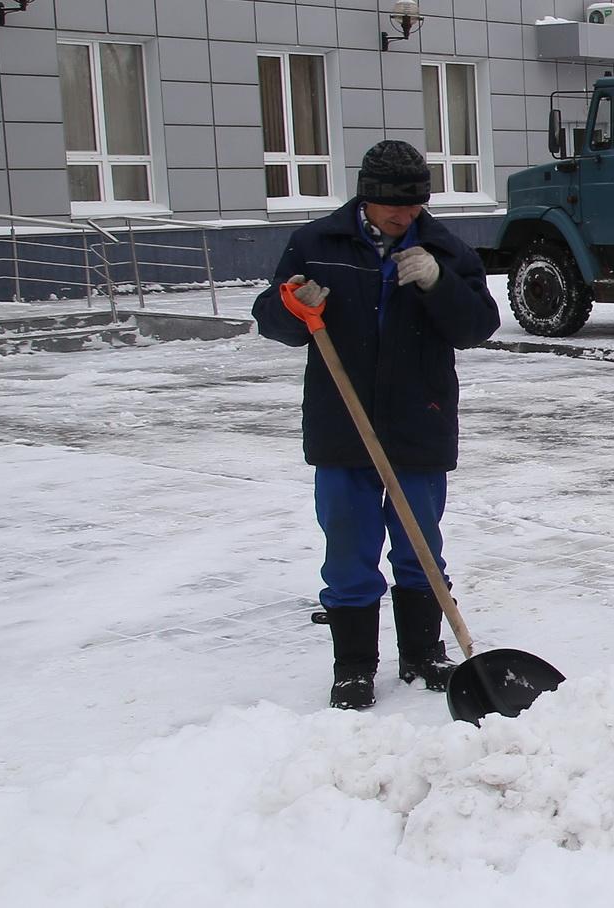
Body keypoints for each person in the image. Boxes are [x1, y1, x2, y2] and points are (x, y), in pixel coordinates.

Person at [251, 140, 501, 710]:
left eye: (415, 207)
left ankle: (421, 654)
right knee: (348, 548)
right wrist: (292, 305)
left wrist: (440, 283)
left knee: (419, 546)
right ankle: (354, 668)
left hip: (420, 421)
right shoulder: (316, 245)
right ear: (367, 197)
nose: (405, 217)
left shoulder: (444, 248)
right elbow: (273, 319)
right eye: (394, 207)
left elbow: (477, 327)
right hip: (343, 423)